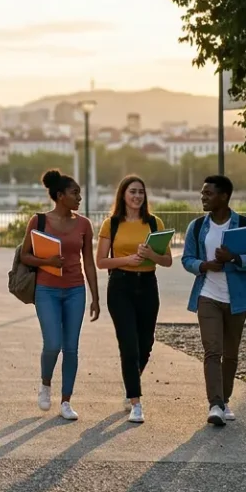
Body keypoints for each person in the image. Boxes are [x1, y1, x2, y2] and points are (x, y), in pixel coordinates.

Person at [181, 175, 246, 427]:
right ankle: (215, 404)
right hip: (208, 296)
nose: (203, 197)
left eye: (208, 193)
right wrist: (203, 265)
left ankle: (225, 400)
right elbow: (186, 259)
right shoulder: (196, 227)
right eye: (202, 193)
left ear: (224, 196)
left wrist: (234, 258)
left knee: (231, 354)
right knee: (212, 351)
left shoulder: (245, 225)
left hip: (237, 300)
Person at [20, 169, 101, 421]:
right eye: (74, 193)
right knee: (53, 344)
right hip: (47, 290)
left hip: (75, 290)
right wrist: (48, 260)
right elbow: (24, 256)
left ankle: (66, 401)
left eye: (79, 193)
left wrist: (95, 296)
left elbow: (88, 262)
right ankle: (45, 383)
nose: (79, 197)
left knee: (72, 348)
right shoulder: (39, 221)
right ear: (60, 195)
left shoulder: (85, 224)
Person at [96, 176, 172, 424]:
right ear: (123, 195)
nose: (137, 196)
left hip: (148, 285)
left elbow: (168, 260)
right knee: (128, 345)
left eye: (141, 192)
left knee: (145, 344)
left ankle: (131, 380)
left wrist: (151, 254)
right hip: (120, 286)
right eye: (132, 192)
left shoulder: (154, 222)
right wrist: (127, 260)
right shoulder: (111, 224)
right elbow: (101, 262)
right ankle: (135, 402)